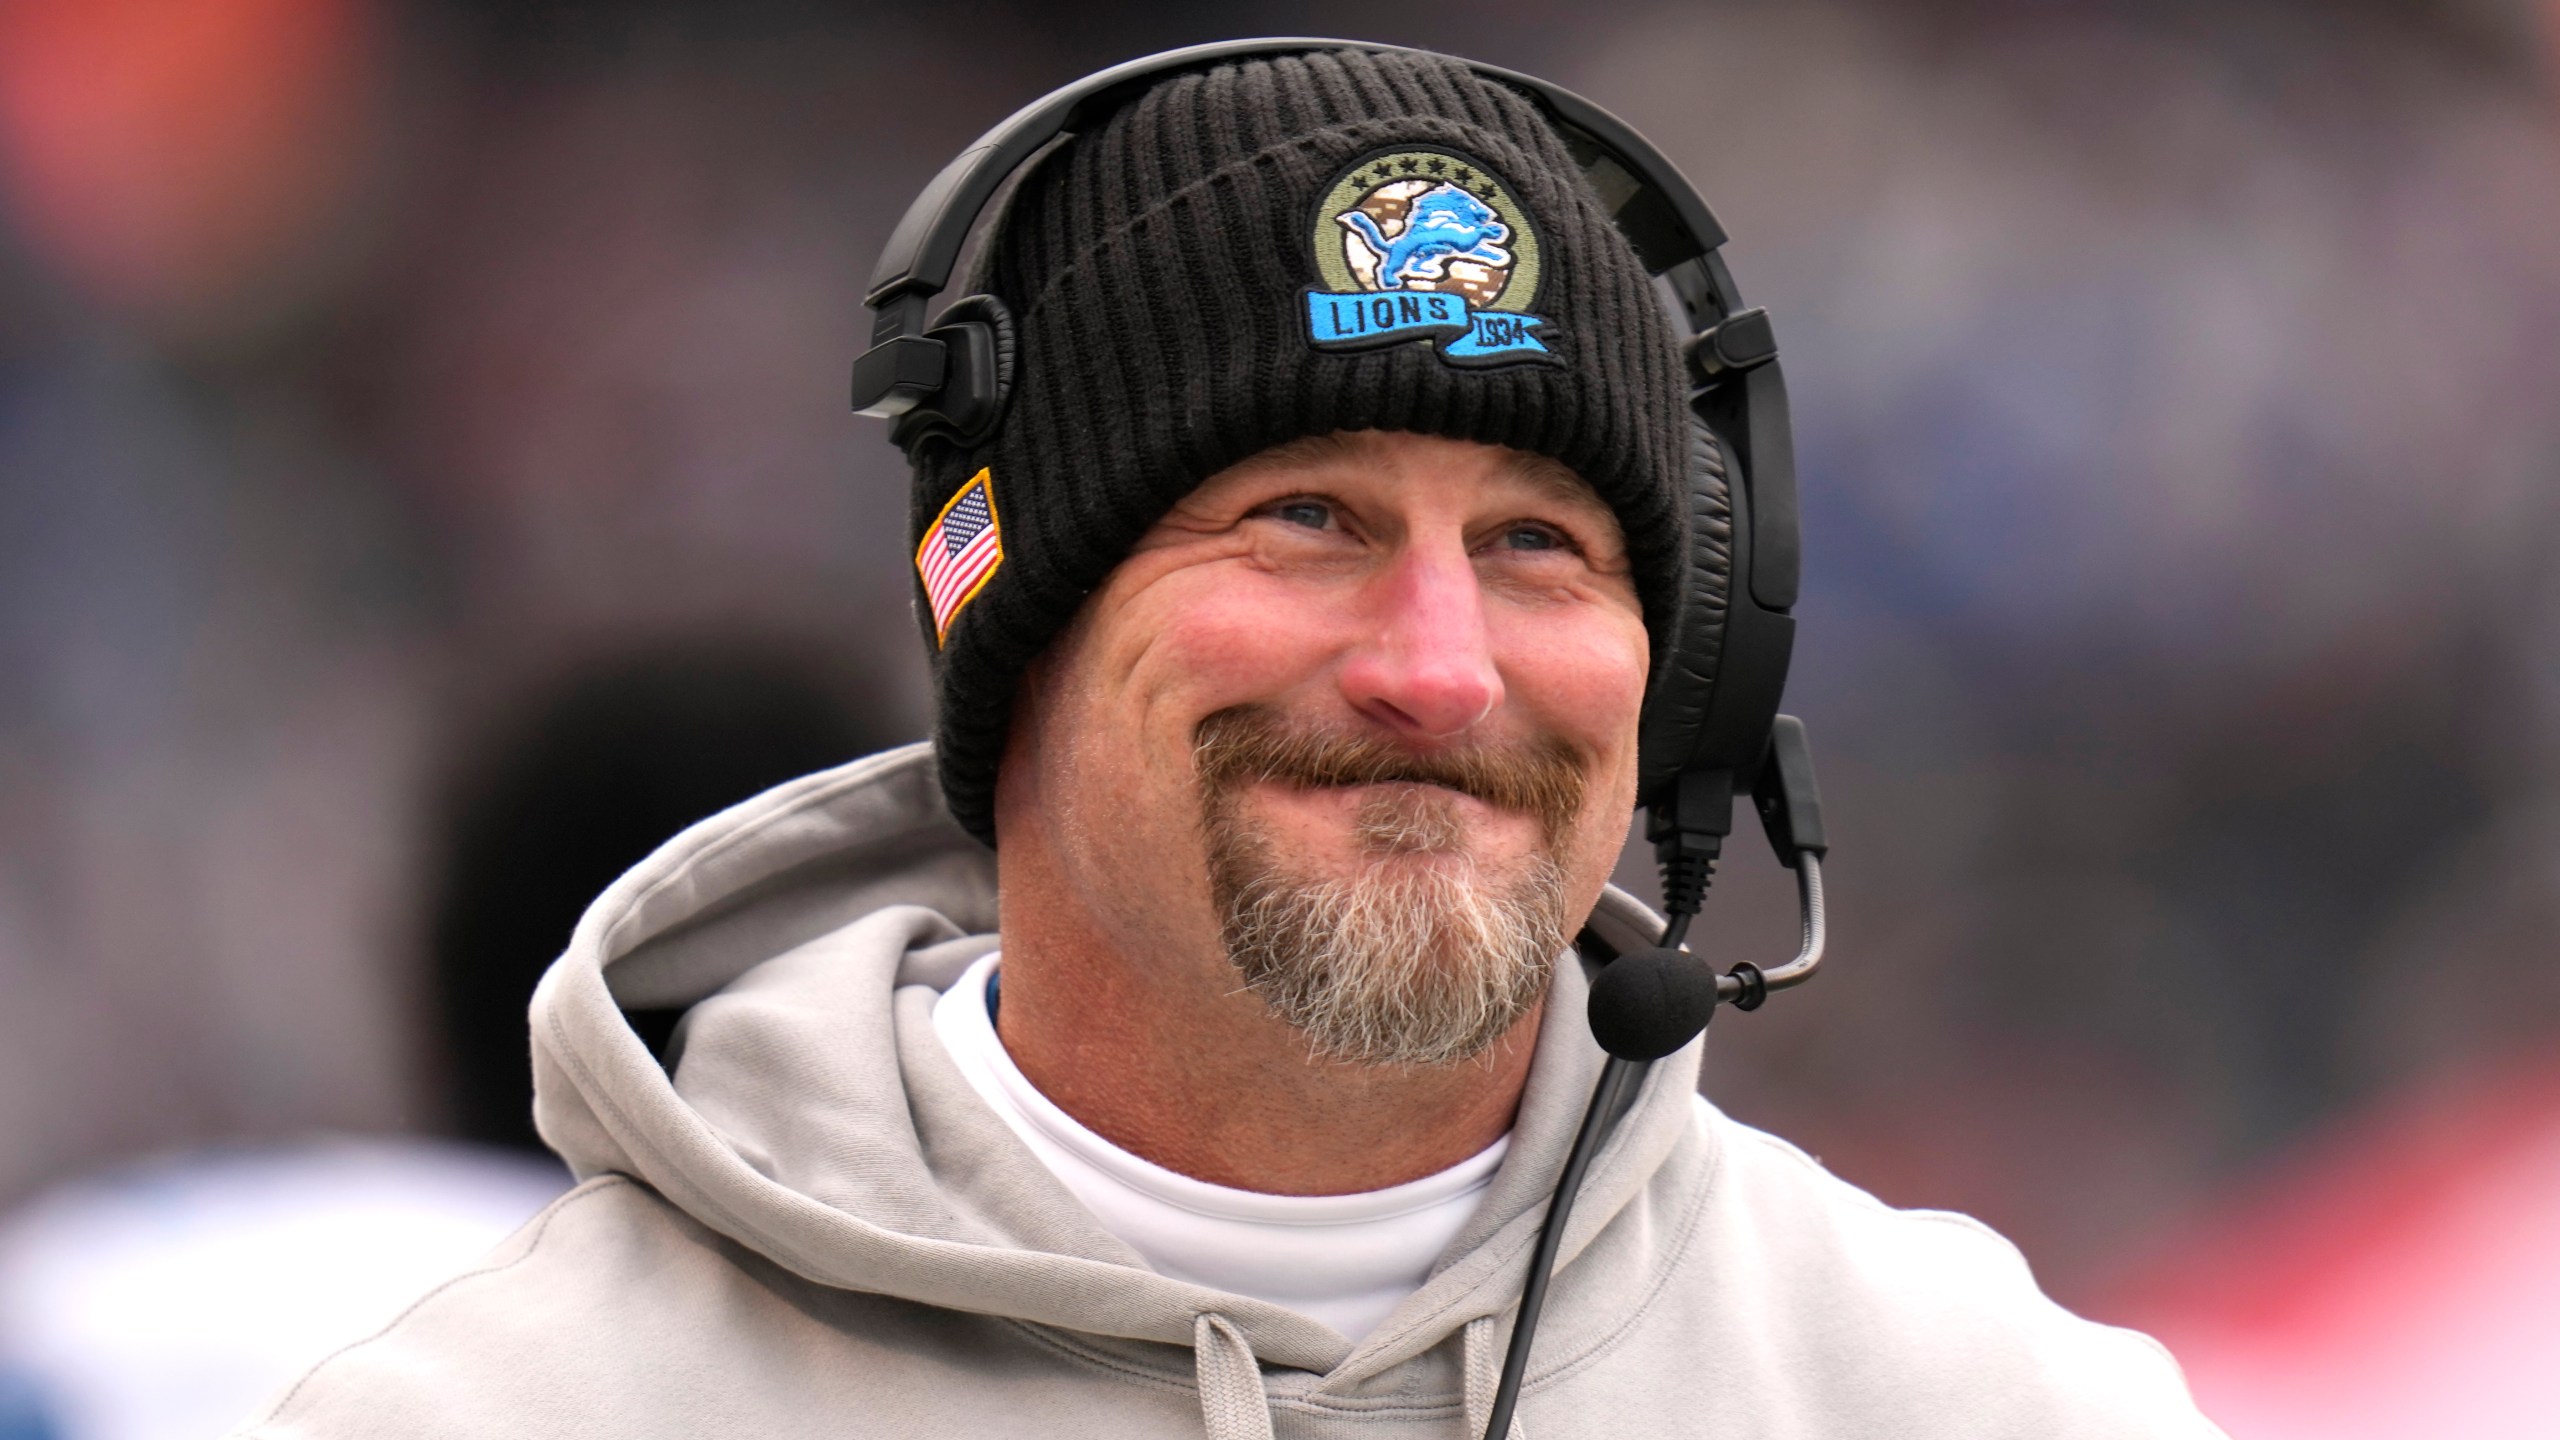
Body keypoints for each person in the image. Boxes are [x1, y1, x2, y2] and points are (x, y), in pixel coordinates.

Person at [228, 44, 2221, 1438]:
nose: (1438, 670)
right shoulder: (486, 1422)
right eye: (1305, 520)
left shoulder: (1987, 1410)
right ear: (1004, 612)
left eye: (1535, 546)